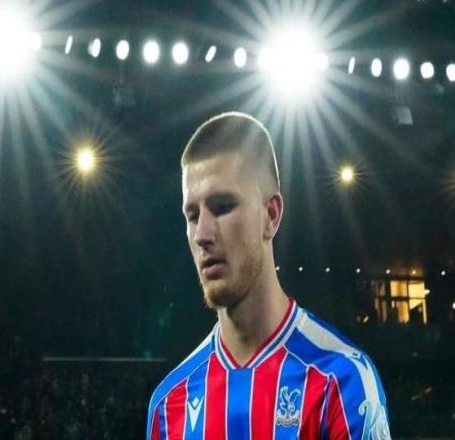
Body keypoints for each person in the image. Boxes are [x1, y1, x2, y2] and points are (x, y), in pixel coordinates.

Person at [146, 112, 391, 439]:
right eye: (192, 215)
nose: (202, 234)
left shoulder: (341, 381)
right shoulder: (168, 405)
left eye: (222, 207)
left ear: (271, 215)